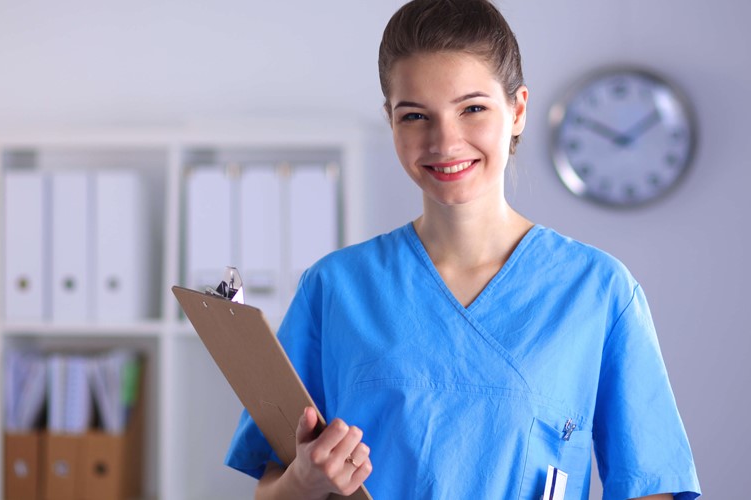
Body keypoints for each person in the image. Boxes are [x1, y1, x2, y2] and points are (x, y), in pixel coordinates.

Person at [226, 0, 701, 498]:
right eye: (415, 116)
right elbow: (271, 485)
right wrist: (306, 479)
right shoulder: (335, 288)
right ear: (390, 120)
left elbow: (653, 485)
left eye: (472, 108)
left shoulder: (597, 290)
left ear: (517, 110)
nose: (445, 141)